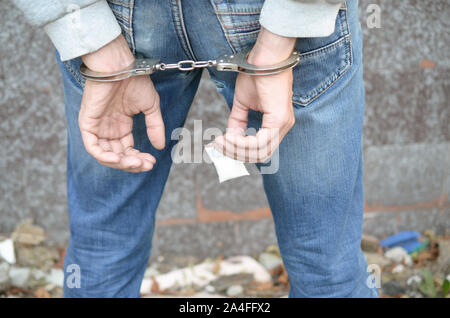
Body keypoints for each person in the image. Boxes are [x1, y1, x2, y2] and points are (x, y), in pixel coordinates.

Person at [13, 0, 379, 297]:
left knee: (102, 253)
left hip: (114, 14)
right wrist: (286, 31)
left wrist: (86, 31)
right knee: (325, 264)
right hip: (274, 10)